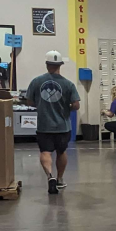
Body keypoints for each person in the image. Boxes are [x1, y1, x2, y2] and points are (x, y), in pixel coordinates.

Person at [25, 50, 81, 195]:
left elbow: (29, 101)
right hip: (63, 126)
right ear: (60, 65)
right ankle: (60, 178)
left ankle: (50, 176)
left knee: (45, 152)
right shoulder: (68, 84)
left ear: (46, 64)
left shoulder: (36, 81)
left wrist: (41, 105)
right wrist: (67, 107)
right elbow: (76, 105)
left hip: (44, 126)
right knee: (61, 152)